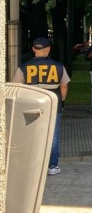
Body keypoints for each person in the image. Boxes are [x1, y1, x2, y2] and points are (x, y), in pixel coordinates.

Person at [13, 37, 70, 176]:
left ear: (33, 49)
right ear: (48, 49)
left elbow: (16, 88)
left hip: (31, 106)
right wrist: (61, 102)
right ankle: (53, 166)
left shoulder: (23, 67)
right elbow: (64, 86)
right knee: (53, 136)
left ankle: (33, 166)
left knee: (31, 135)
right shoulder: (58, 66)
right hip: (53, 104)